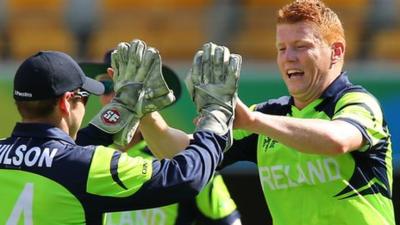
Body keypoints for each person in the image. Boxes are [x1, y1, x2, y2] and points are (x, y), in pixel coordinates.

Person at [141, 1, 396, 225]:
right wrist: (143, 111)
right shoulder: (268, 115)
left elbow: (337, 140)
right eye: (281, 48)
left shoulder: (357, 102)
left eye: (301, 46)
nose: (289, 58)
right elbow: (180, 153)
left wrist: (252, 121)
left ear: (336, 52)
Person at [0, 39, 241, 225]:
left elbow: (57, 157)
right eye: (83, 97)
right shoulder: (88, 166)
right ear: (65, 102)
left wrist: (122, 108)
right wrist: (214, 118)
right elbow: (185, 178)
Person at [80, 51, 242, 225]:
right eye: (107, 86)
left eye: (128, 88)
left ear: (156, 94)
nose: (118, 98)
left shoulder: (186, 158)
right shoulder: (85, 158)